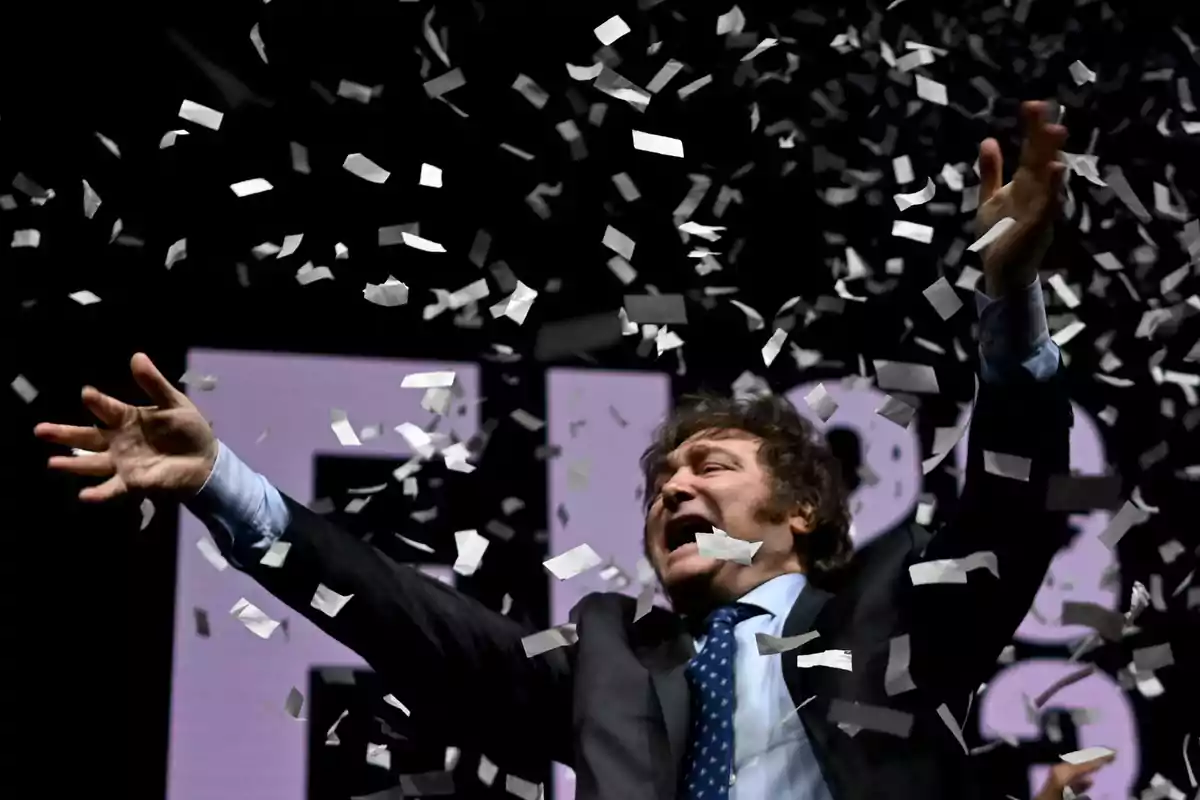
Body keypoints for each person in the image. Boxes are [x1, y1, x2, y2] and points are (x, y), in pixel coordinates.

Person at [36, 101, 1075, 800]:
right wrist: (223, 481)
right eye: (664, 476)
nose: (675, 483)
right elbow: (408, 618)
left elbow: (1008, 502)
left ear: (801, 509)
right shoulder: (609, 655)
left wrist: (1012, 294)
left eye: (711, 463)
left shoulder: (897, 605)